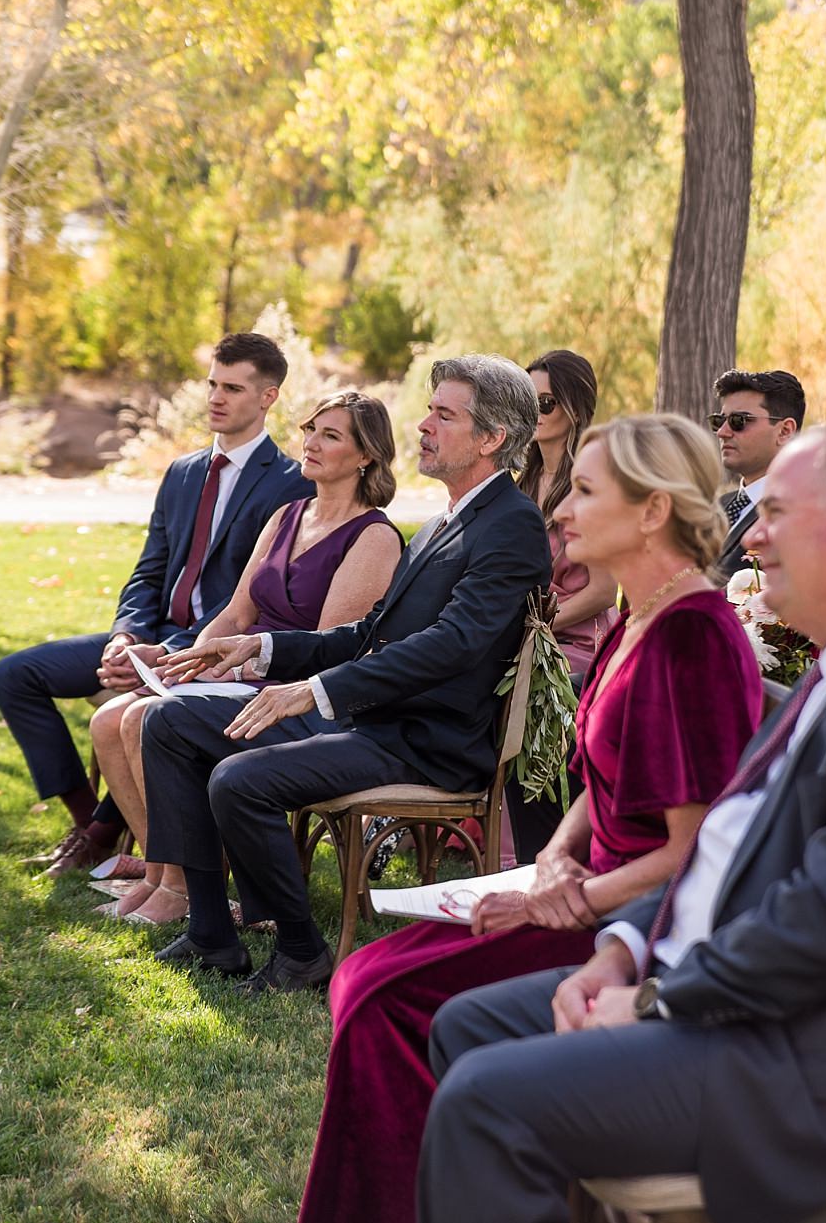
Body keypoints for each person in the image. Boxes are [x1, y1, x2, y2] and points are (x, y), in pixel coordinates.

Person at [417, 424, 826, 1223]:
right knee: (467, 1022)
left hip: (785, 1052)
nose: (753, 533)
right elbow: (724, 858)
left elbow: (825, 916)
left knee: (482, 1103)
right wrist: (621, 951)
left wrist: (657, 999)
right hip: (689, 975)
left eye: (774, 511)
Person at [298, 412, 762, 1223]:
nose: (561, 511)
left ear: (653, 509)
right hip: (581, 885)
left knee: (383, 999)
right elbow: (605, 781)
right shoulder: (638, 616)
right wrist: (553, 854)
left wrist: (571, 896)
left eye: (584, 491)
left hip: (635, 927)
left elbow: (696, 854)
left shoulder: (694, 637)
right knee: (362, 973)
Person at [138, 355, 552, 994]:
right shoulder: (445, 519)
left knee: (239, 780)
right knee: (170, 721)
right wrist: (261, 647)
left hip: (426, 744)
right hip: (377, 724)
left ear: (491, 438)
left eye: (444, 415)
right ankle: (213, 933)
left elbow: (455, 644)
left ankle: (302, 952)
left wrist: (314, 691)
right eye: (429, 411)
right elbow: (369, 634)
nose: (423, 426)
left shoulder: (510, 525)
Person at [0, 332, 311, 877]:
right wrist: (125, 635)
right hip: (151, 634)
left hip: (210, 651)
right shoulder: (182, 472)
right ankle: (95, 825)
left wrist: (172, 651)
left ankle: (105, 839)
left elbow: (256, 599)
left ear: (268, 398)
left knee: (140, 712)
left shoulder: (288, 484)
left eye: (233, 388)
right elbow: (150, 568)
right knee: (15, 674)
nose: (216, 397)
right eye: (212, 384)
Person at [89, 393, 403, 925]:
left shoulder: (373, 536)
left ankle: (186, 888)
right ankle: (159, 873)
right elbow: (236, 613)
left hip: (291, 693)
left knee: (145, 720)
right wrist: (185, 660)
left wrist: (234, 665)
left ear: (366, 455)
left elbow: (326, 649)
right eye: (310, 430)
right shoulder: (288, 514)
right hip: (239, 670)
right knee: (107, 719)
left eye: (331, 435)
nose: (311, 442)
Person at [505, 348, 618, 861]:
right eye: (524, 403)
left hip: (577, 645)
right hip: (521, 639)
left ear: (573, 406)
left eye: (544, 403)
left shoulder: (590, 483)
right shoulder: (521, 484)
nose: (532, 415)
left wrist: (537, 629)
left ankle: (536, 852)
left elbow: (601, 592)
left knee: (524, 700)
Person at [708, 367, 803, 578]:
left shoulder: (804, 512)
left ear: (785, 431)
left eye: (738, 421)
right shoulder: (718, 508)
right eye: (718, 421)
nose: (722, 432)